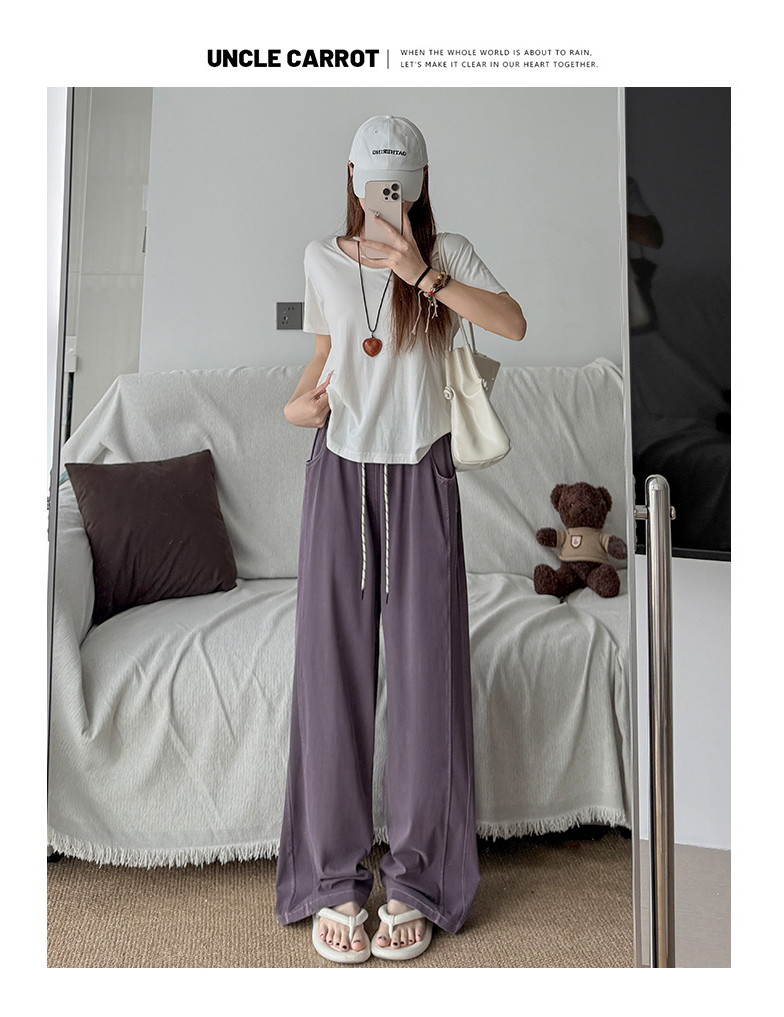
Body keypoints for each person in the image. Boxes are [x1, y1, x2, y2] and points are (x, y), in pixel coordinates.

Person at [275, 115, 526, 963]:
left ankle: (418, 883)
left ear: (417, 182)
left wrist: (421, 273)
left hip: (422, 472)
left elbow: (513, 323)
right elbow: (325, 359)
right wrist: (296, 406)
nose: (384, 192)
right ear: (352, 177)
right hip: (338, 473)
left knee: (426, 679)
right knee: (331, 676)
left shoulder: (447, 252)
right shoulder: (320, 258)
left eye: (399, 180)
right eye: (373, 178)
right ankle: (333, 880)